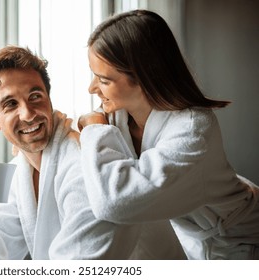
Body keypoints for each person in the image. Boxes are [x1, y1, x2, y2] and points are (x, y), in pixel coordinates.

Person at [0, 45, 186, 260]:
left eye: (35, 97)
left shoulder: (85, 159)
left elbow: (84, 261)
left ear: (49, 100)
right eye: (10, 104)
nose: (28, 114)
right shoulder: (20, 169)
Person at [78, 9, 259, 260]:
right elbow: (79, 136)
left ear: (143, 77)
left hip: (239, 244)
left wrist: (95, 129)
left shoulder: (194, 130)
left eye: (104, 80)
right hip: (189, 239)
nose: (92, 88)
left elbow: (113, 203)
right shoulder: (118, 116)